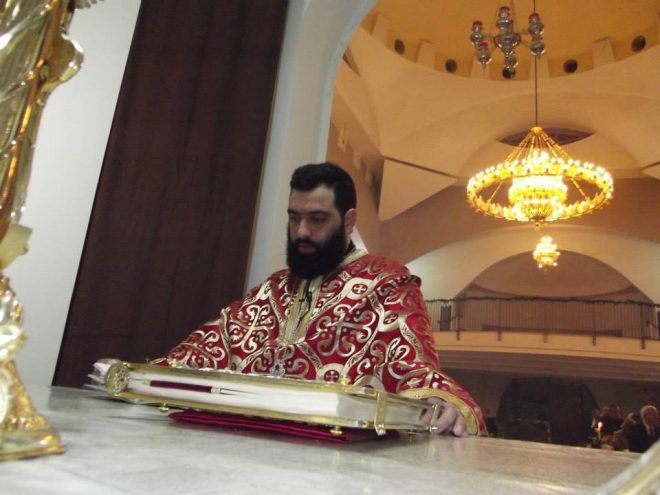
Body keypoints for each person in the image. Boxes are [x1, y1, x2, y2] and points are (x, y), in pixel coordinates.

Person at [152, 162, 485, 435]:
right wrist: (147, 377)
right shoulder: (272, 288)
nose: (301, 232)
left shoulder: (386, 282)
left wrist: (442, 400)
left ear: (349, 221)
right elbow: (208, 346)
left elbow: (413, 365)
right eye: (294, 218)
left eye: (317, 219)